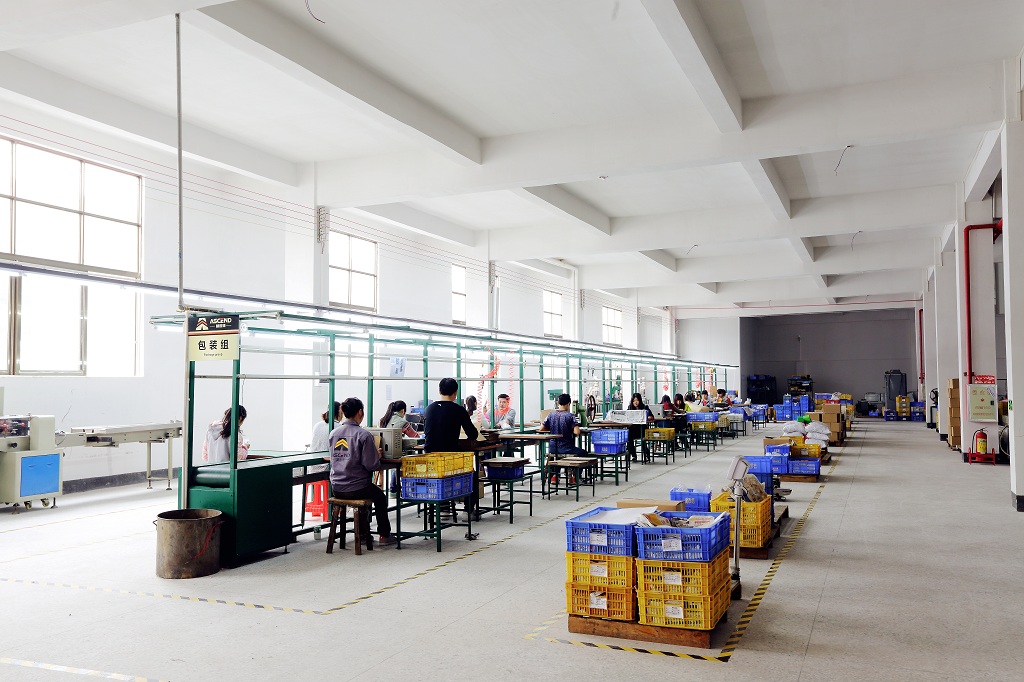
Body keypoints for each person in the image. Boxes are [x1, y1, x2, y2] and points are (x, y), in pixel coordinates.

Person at [327, 397, 395, 546]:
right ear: (360, 412)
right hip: (357, 487)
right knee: (380, 497)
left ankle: (364, 535)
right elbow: (371, 465)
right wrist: (376, 456)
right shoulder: (363, 435)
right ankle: (384, 535)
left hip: (337, 487)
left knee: (368, 490)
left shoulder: (333, 433)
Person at [424, 378, 479, 518]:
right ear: (455, 393)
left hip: (430, 459)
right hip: (450, 457)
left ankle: (443, 508)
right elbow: (473, 434)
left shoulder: (429, 409)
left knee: (440, 476)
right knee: (471, 474)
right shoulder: (459, 410)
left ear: (439, 391)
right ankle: (468, 511)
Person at [539, 393, 588, 484]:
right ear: (568, 404)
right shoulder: (570, 416)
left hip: (553, 448)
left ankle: (555, 476)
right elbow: (577, 432)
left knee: (558, 457)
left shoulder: (551, 415)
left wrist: (553, 429)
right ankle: (576, 477)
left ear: (558, 403)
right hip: (566, 448)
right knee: (583, 453)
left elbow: (541, 428)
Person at [627, 392, 654, 462]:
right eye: (634, 401)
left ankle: (646, 452)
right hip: (633, 430)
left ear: (640, 400)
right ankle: (633, 455)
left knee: (643, 439)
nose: (635, 402)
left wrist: (647, 417)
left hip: (642, 429)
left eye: (637, 400)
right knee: (628, 436)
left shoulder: (644, 407)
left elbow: (651, 417)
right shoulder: (630, 408)